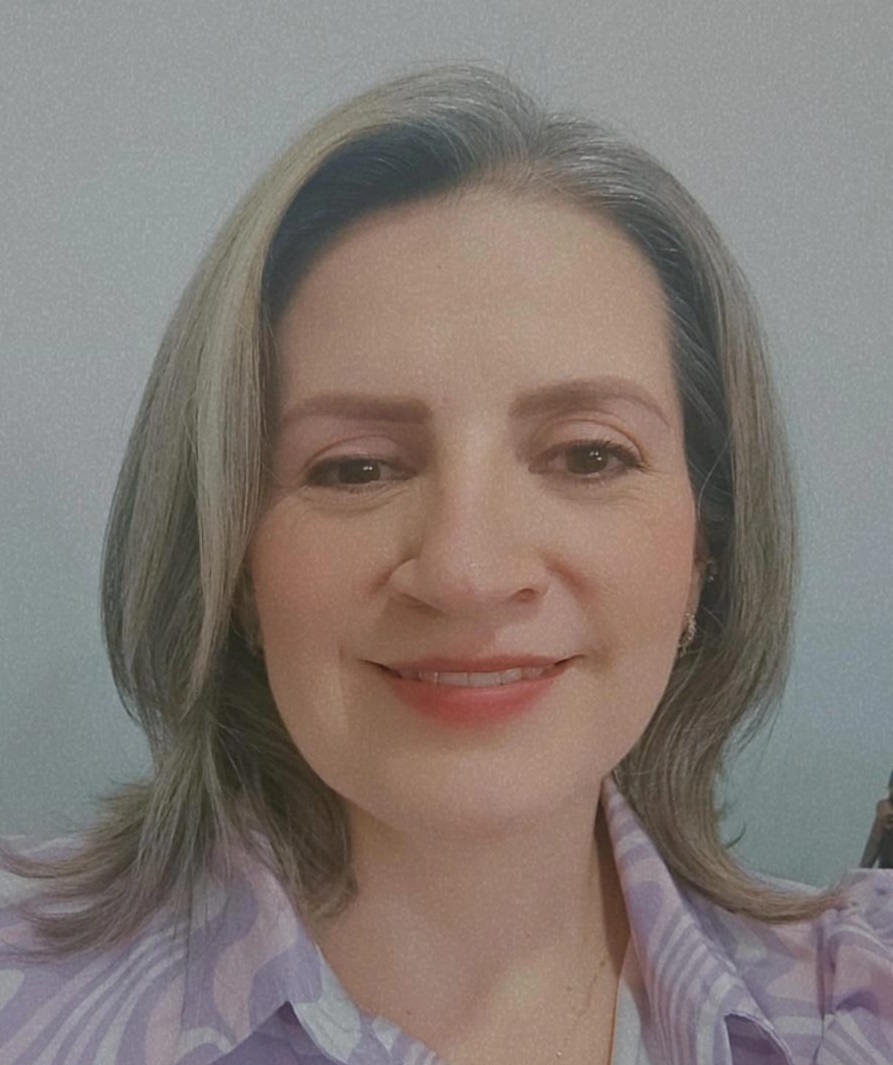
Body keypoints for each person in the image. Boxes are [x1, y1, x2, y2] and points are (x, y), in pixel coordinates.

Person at [1, 62, 890, 1065]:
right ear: (232, 561)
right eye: (355, 467)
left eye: (587, 455)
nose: (467, 573)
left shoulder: (857, 1001)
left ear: (704, 552)